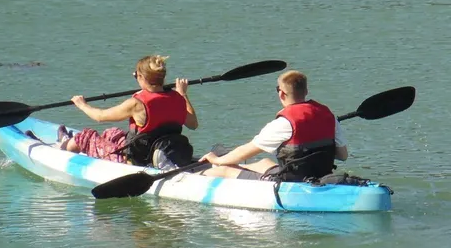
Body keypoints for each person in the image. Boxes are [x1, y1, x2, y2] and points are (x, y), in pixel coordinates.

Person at [199, 70, 348, 181]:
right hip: (321, 175)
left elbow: (246, 151)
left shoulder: (284, 123)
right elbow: (343, 156)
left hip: (291, 183)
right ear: (306, 91)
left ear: (281, 93)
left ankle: (193, 177)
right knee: (264, 162)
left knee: (224, 170)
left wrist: (216, 160)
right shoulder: (329, 116)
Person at [56, 55, 199, 168]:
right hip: (163, 150)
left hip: (137, 161)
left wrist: (82, 105)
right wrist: (183, 93)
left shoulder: (136, 104)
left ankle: (61, 148)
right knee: (112, 132)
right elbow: (193, 124)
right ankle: (67, 141)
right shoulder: (178, 98)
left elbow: (100, 116)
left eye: (136, 75)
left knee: (86, 136)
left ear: (142, 77)